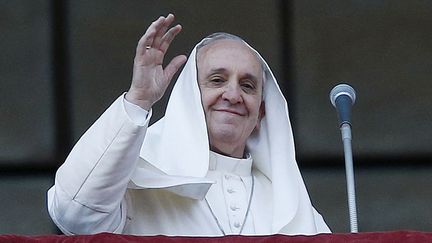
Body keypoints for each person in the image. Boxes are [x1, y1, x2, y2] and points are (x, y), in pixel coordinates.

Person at [47, 14, 330, 236]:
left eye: (247, 85)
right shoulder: (139, 178)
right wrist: (139, 99)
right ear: (190, 99)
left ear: (262, 113)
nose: (233, 95)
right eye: (217, 80)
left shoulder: (291, 206)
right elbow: (74, 214)